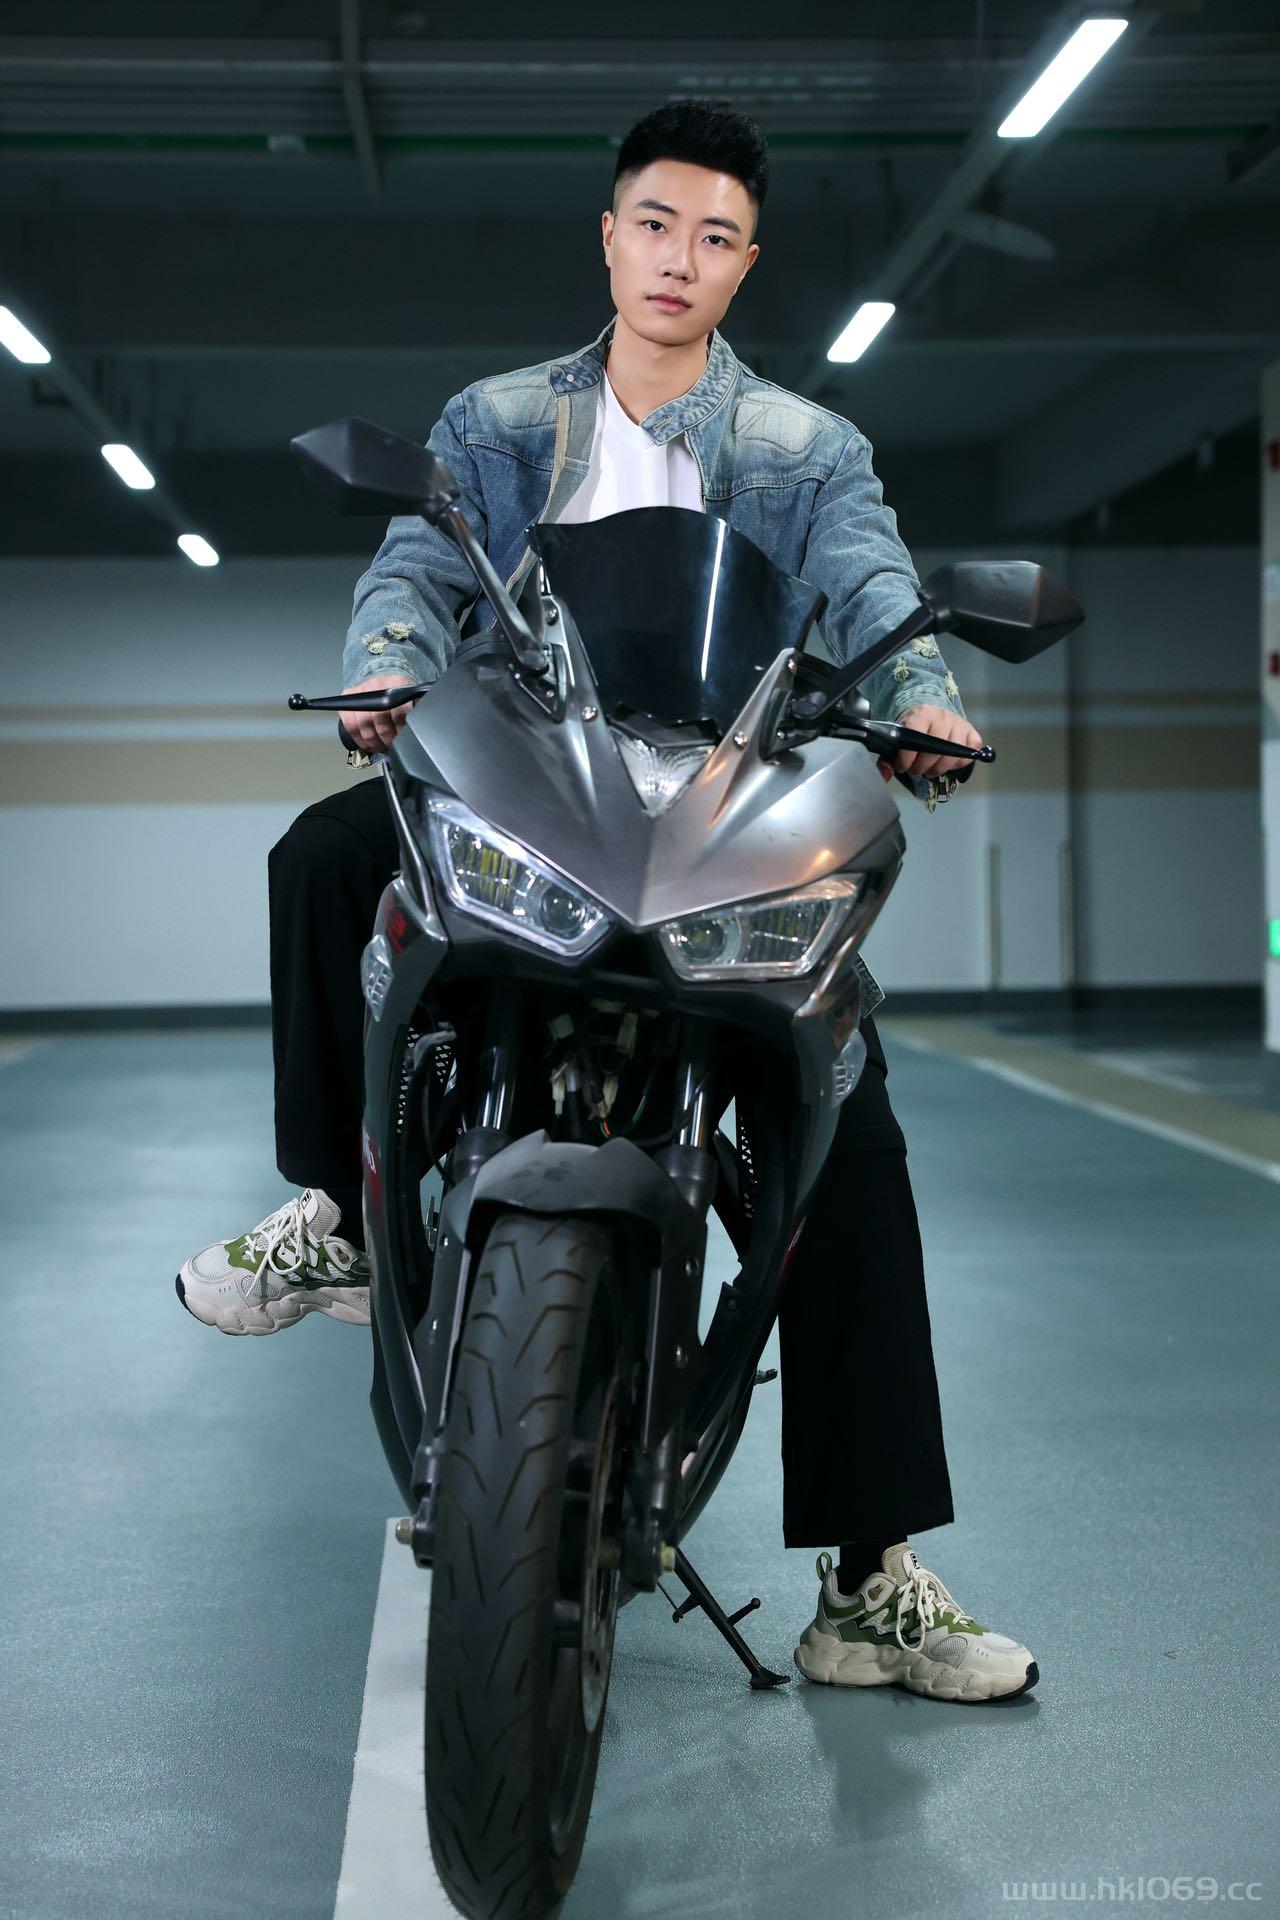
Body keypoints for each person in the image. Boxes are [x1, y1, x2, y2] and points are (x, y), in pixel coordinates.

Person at [177, 100, 1037, 1703]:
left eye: (715, 237)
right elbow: (417, 566)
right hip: (532, 779)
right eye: (654, 224)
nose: (677, 259)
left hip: (721, 808)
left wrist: (922, 698)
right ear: (609, 235)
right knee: (323, 855)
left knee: (849, 1131)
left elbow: (870, 578)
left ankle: (870, 1583)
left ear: (746, 264)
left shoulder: (805, 448)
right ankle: (336, 1213)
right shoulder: (500, 419)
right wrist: (388, 666)